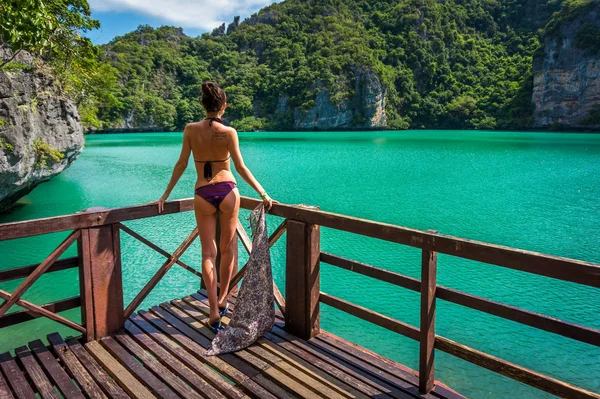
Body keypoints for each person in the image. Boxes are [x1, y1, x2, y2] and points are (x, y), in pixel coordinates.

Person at [156, 81, 274, 332]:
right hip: (228, 191)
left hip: (202, 193)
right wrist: (262, 192)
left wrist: (165, 194)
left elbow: (181, 164)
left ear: (203, 104)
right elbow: (241, 168)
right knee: (228, 249)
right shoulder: (229, 132)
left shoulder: (190, 130)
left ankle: (211, 311)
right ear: (223, 106)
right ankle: (223, 300)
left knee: (208, 254)